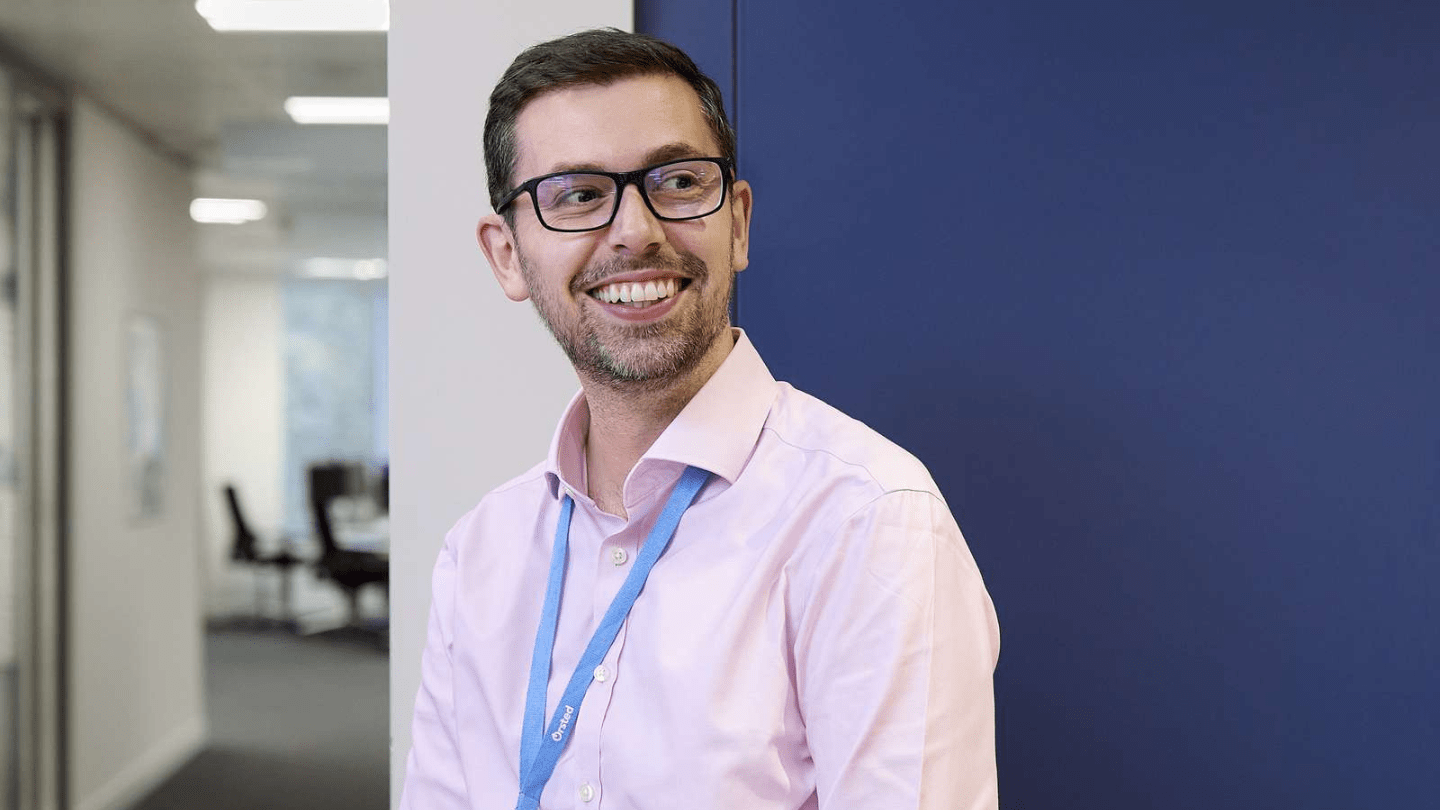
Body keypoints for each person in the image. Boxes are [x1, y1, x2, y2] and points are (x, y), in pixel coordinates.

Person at [400, 28, 1000, 810]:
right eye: (579, 195)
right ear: (507, 253)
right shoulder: (480, 554)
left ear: (738, 223)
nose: (636, 230)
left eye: (678, 181)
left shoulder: (867, 521)